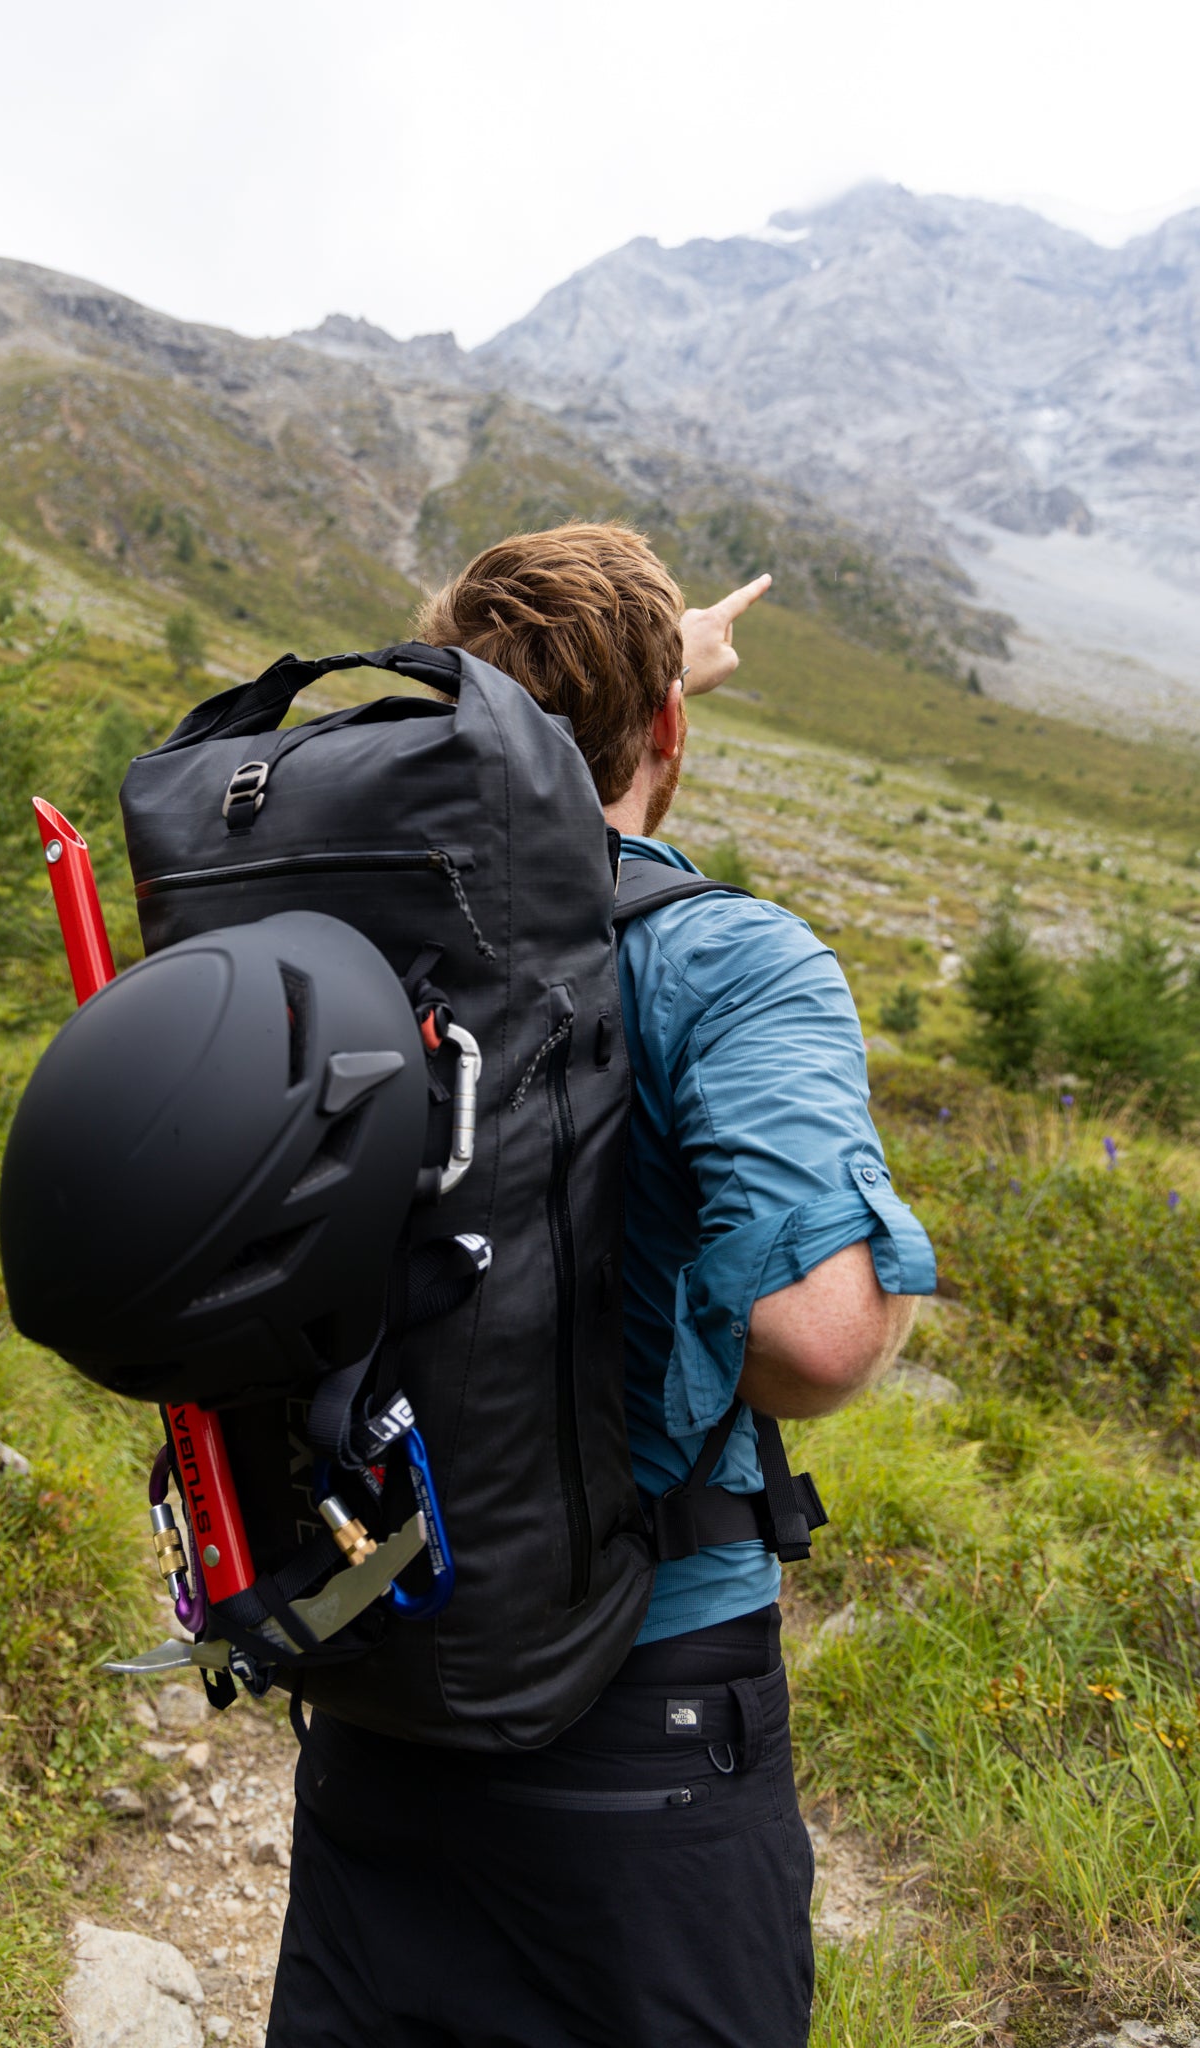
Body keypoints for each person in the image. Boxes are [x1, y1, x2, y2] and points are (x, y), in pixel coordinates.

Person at [267, 523, 936, 2048]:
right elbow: (814, 1345)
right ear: (669, 730)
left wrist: (643, 654)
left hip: (384, 1677)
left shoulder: (338, 943)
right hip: (642, 1709)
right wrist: (880, 1275)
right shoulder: (729, 963)